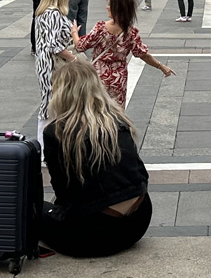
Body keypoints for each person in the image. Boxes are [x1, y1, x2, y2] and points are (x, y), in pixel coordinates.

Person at [39, 60, 151, 257]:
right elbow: (138, 173)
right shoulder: (117, 120)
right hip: (138, 221)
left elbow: (63, 194)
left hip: (93, 235)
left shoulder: (56, 132)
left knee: (31, 208)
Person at [77, 0, 174, 108]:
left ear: (116, 9)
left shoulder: (100, 28)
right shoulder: (131, 32)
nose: (107, 7)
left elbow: (81, 46)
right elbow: (143, 54)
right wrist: (161, 66)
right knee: (117, 111)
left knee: (97, 110)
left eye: (109, 5)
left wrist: (74, 32)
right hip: (119, 78)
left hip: (99, 75)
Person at [34, 0, 76, 142]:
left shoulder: (44, 11)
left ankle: (45, 146)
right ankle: (46, 147)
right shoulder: (53, 13)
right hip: (53, 65)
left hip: (44, 63)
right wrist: (74, 59)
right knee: (53, 104)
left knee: (49, 102)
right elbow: (54, 45)